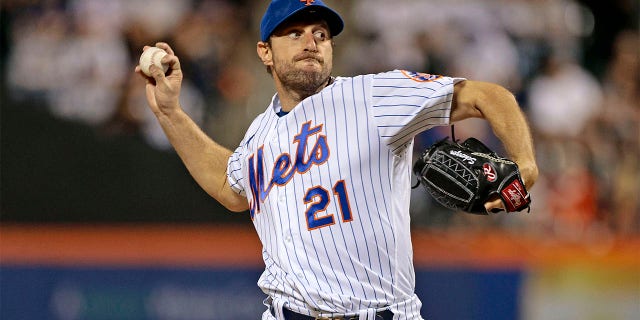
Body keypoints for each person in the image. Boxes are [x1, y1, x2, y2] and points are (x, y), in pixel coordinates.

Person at [136, 0, 538, 319]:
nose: (310, 42)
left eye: (321, 34)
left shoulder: (374, 96)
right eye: (294, 33)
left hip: (381, 313)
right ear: (264, 52)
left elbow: (489, 96)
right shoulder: (260, 132)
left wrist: (525, 165)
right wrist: (170, 113)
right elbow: (230, 187)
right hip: (285, 311)